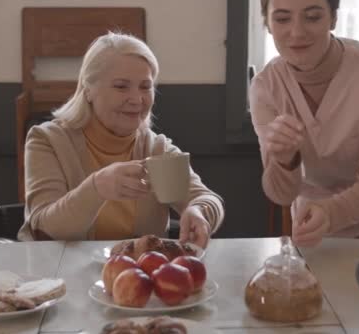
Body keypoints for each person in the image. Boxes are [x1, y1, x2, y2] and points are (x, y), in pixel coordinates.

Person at [249, 0, 359, 247]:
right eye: (282, 19)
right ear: (268, 24)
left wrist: (330, 213)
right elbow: (281, 194)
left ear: (333, 19)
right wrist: (285, 161)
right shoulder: (266, 86)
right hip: (314, 226)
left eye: (312, 17)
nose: (296, 32)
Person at [17, 32, 224, 248]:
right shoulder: (48, 141)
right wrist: (96, 188)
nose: (137, 99)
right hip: (59, 275)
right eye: (121, 86)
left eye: (145, 87)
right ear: (88, 90)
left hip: (138, 276)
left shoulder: (155, 148)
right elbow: (45, 230)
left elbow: (208, 199)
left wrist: (199, 211)